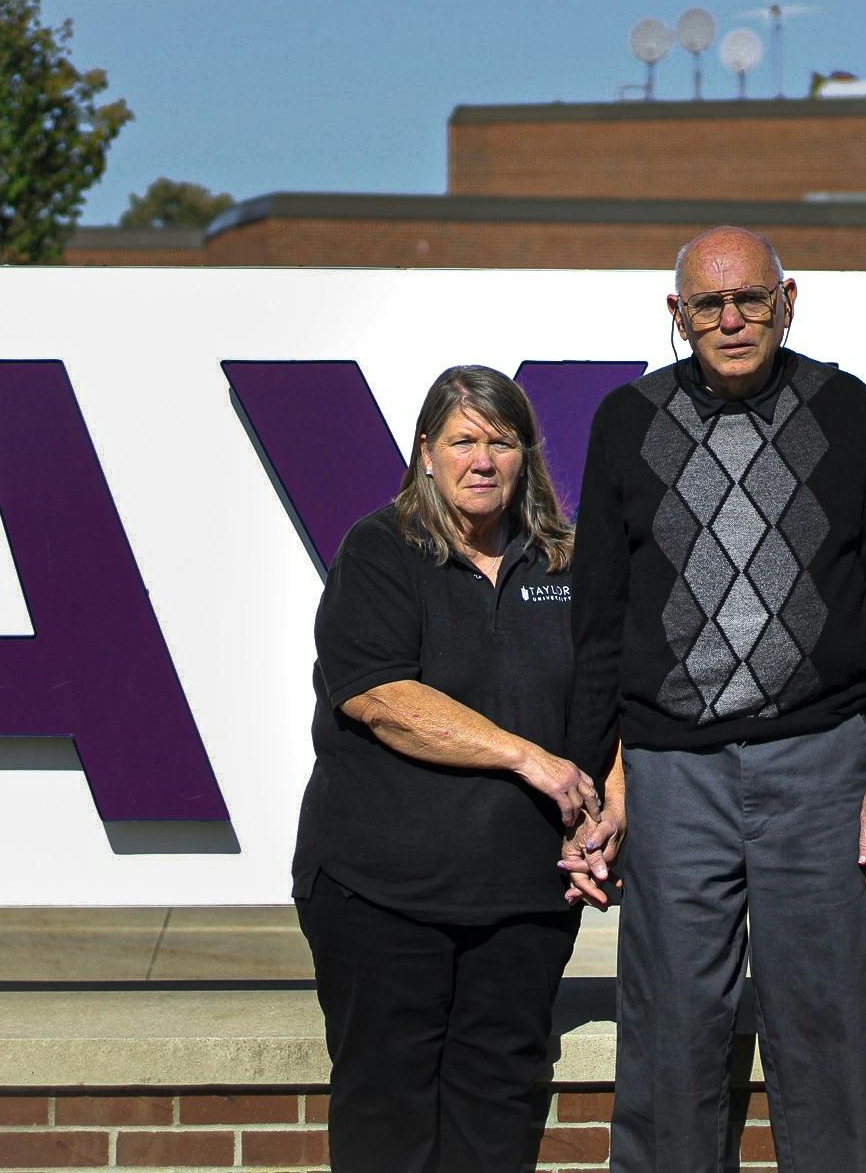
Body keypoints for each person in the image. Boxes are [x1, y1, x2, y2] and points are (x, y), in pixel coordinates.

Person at [562, 226, 866, 1171]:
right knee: (672, 1025)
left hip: (823, 763)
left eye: (751, 299)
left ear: (788, 300)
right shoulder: (624, 422)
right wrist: (596, 783)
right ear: (675, 315)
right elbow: (596, 623)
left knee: (832, 1029)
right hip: (672, 771)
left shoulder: (846, 411)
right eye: (709, 305)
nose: (732, 320)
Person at [293, 365, 603, 1173]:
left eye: (502, 442)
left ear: (526, 456)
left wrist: (609, 813)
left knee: (498, 1115)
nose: (482, 460)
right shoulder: (382, 548)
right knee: (386, 1113)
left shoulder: (567, 563)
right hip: (383, 894)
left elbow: (616, 703)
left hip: (525, 901)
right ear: (425, 452)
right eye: (463, 440)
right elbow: (379, 697)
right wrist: (530, 759)